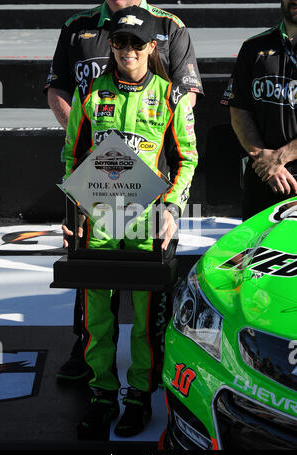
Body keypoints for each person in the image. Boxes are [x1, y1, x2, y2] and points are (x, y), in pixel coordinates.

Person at [45, 0, 203, 381]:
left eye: (136, 43)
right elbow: (72, 155)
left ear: (152, 46)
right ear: (110, 45)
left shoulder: (169, 97)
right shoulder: (92, 94)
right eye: (119, 43)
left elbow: (186, 159)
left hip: (146, 218)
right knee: (96, 311)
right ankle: (100, 389)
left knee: (149, 317)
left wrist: (172, 209)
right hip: (98, 216)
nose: (127, 51)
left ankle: (139, 393)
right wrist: (75, 212)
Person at [221, 0, 297, 221]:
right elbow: (238, 109)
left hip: (275, 166)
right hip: (263, 174)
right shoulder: (254, 47)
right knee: (254, 252)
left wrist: (280, 158)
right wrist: (262, 157)